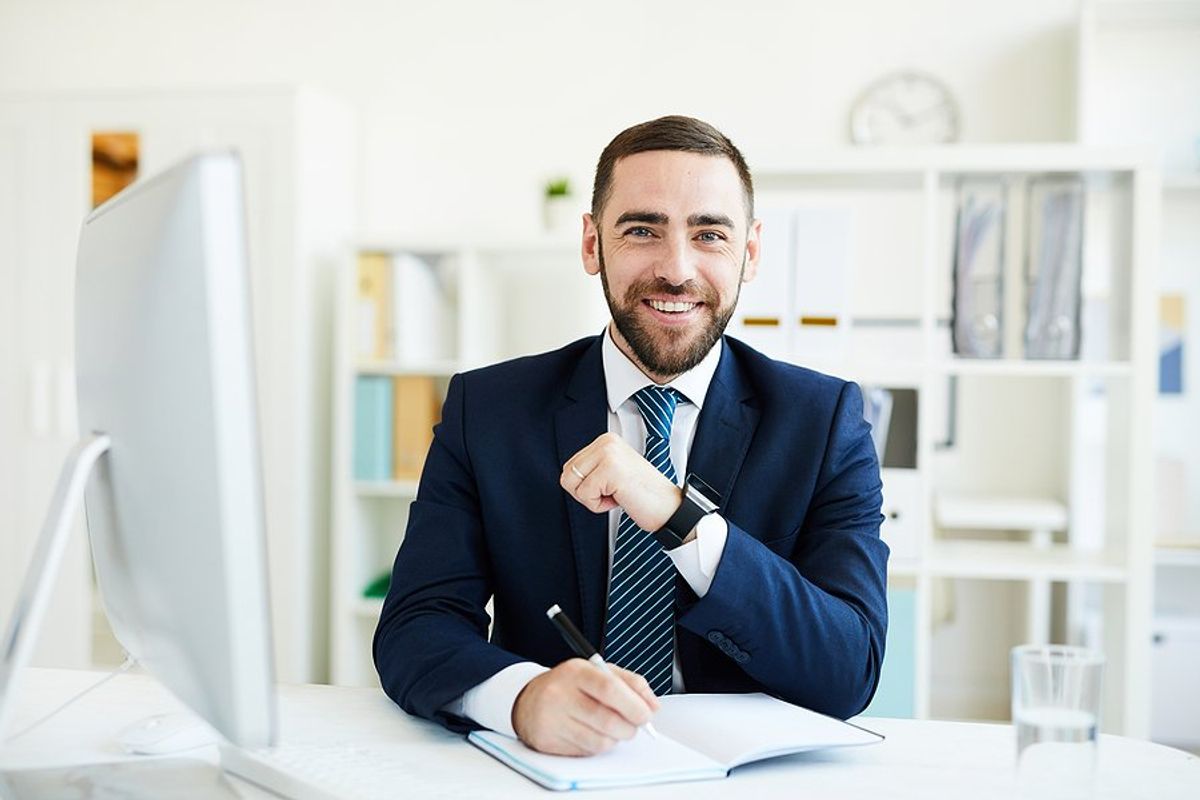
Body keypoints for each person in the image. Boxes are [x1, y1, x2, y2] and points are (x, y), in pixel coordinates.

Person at [374, 115, 888, 757]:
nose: (676, 270)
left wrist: (680, 519)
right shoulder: (489, 410)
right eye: (642, 230)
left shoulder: (824, 420)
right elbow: (415, 628)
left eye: (710, 235)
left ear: (749, 253)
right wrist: (522, 698)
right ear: (592, 245)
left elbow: (850, 669)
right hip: (550, 773)